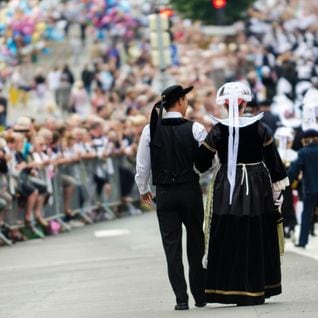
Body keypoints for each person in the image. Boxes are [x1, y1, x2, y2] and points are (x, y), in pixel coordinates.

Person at [195, 81, 289, 306]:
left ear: (225, 105)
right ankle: (259, 287)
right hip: (257, 183)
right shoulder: (260, 127)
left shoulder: (218, 129)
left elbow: (200, 163)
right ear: (245, 103)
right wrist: (277, 190)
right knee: (256, 229)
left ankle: (230, 288)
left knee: (229, 229)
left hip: (227, 184)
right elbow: (274, 163)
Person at [135, 85, 207, 310]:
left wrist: (143, 188)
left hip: (165, 193)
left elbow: (142, 164)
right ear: (180, 102)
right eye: (186, 100)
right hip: (190, 191)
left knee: (171, 247)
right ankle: (200, 294)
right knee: (196, 241)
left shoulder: (150, 130)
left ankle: (181, 298)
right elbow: (207, 162)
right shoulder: (195, 128)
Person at [288, 129, 318, 248]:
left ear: (305, 140)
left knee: (306, 214)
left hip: (310, 189)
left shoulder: (303, 153)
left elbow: (293, 171)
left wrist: (286, 182)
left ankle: (303, 241)